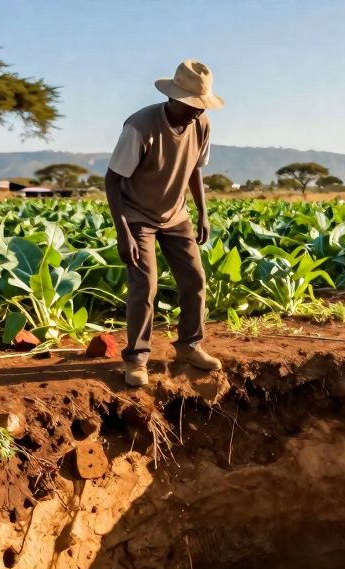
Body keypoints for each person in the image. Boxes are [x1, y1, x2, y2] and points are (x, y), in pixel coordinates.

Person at [104, 59, 224, 387]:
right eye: (192, 106)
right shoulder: (140, 127)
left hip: (177, 214)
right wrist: (123, 231)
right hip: (138, 214)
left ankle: (189, 346)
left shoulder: (202, 125)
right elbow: (113, 180)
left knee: (194, 279)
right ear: (173, 98)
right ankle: (137, 358)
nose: (197, 112)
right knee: (145, 286)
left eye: (201, 106)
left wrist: (202, 213)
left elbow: (195, 168)